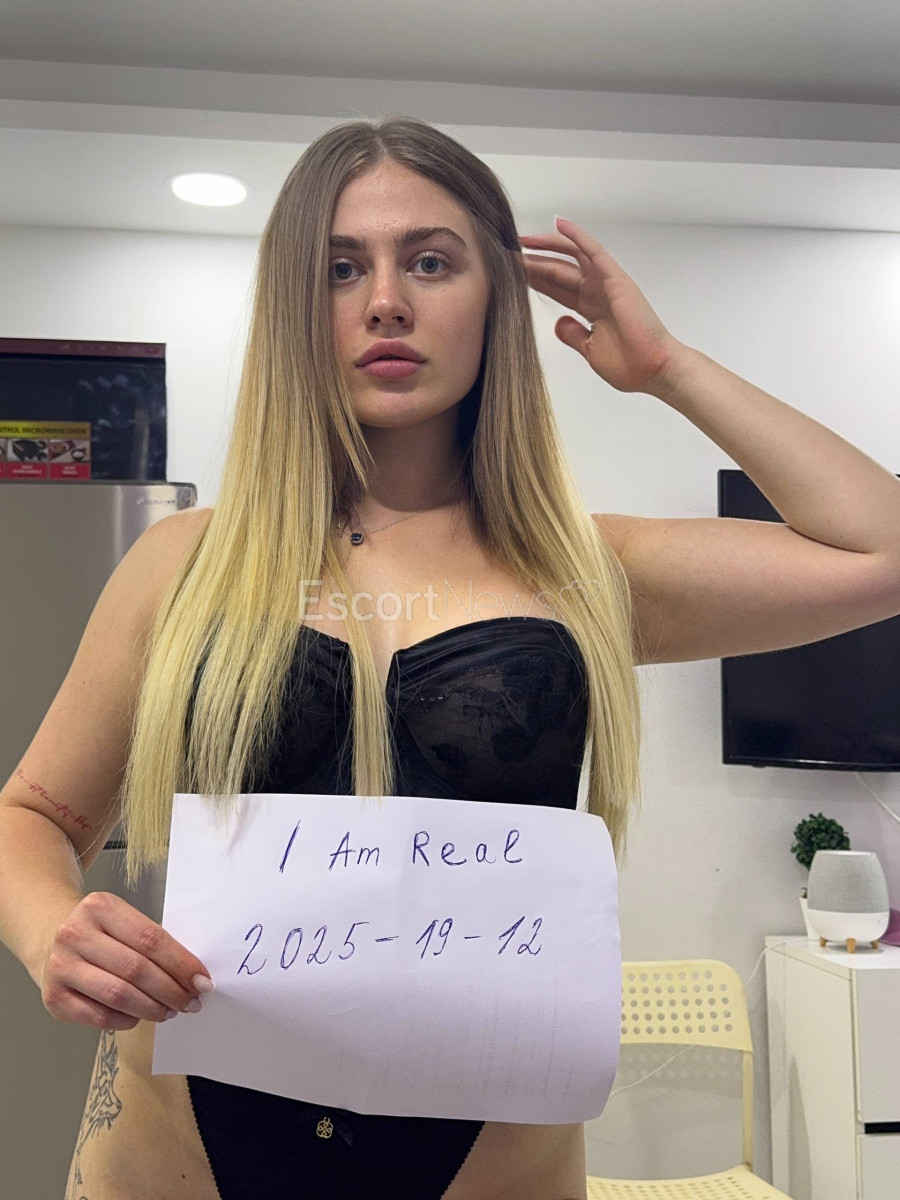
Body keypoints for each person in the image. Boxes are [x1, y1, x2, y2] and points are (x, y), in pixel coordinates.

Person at [2, 114, 899, 1200]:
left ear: (495, 300)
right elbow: (32, 813)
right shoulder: (183, 563)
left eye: (430, 262)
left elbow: (883, 549)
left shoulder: (586, 571)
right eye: (340, 268)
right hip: (177, 1154)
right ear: (294, 307)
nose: (386, 300)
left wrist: (667, 366)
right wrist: (51, 931)